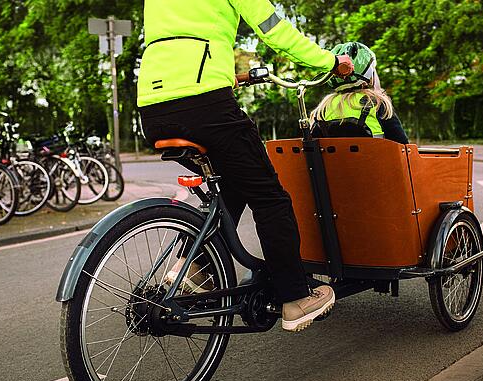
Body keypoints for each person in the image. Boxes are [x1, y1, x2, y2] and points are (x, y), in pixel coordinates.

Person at [137, 0, 354, 332]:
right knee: (271, 198)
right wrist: (330, 61)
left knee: (234, 181)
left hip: (152, 107)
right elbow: (274, 29)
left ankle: (194, 268)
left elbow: (181, 39)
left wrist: (225, 74)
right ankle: (295, 297)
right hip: (204, 103)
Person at [310, 42, 409, 144]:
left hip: (335, 160)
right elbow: (404, 147)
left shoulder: (323, 109)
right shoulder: (377, 104)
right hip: (375, 159)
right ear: (369, 74)